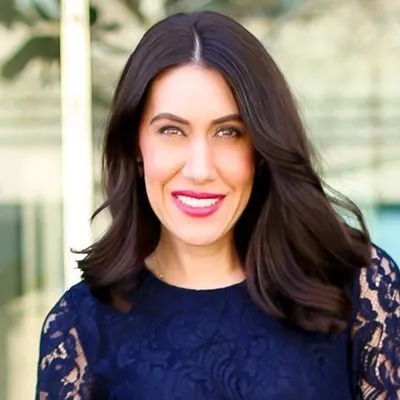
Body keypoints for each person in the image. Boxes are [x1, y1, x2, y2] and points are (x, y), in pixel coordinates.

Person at [35, 11, 400, 400]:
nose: (200, 169)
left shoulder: (358, 289)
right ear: (135, 146)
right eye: (171, 130)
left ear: (260, 148)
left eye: (228, 132)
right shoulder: (80, 327)